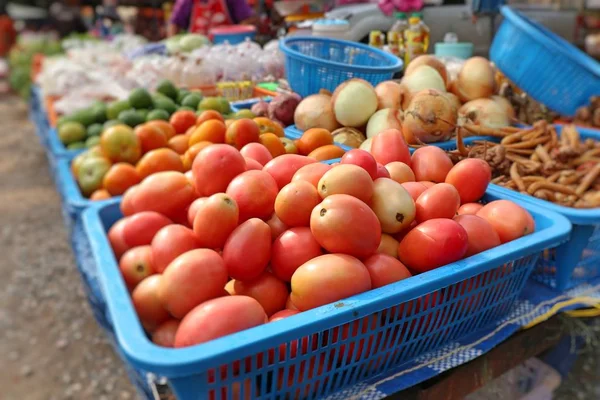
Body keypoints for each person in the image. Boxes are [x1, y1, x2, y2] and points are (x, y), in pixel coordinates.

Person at [167, 0, 257, 37]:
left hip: (226, 50)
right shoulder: (186, 1)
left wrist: (234, 35)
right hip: (197, 55)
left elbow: (248, 20)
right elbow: (174, 24)